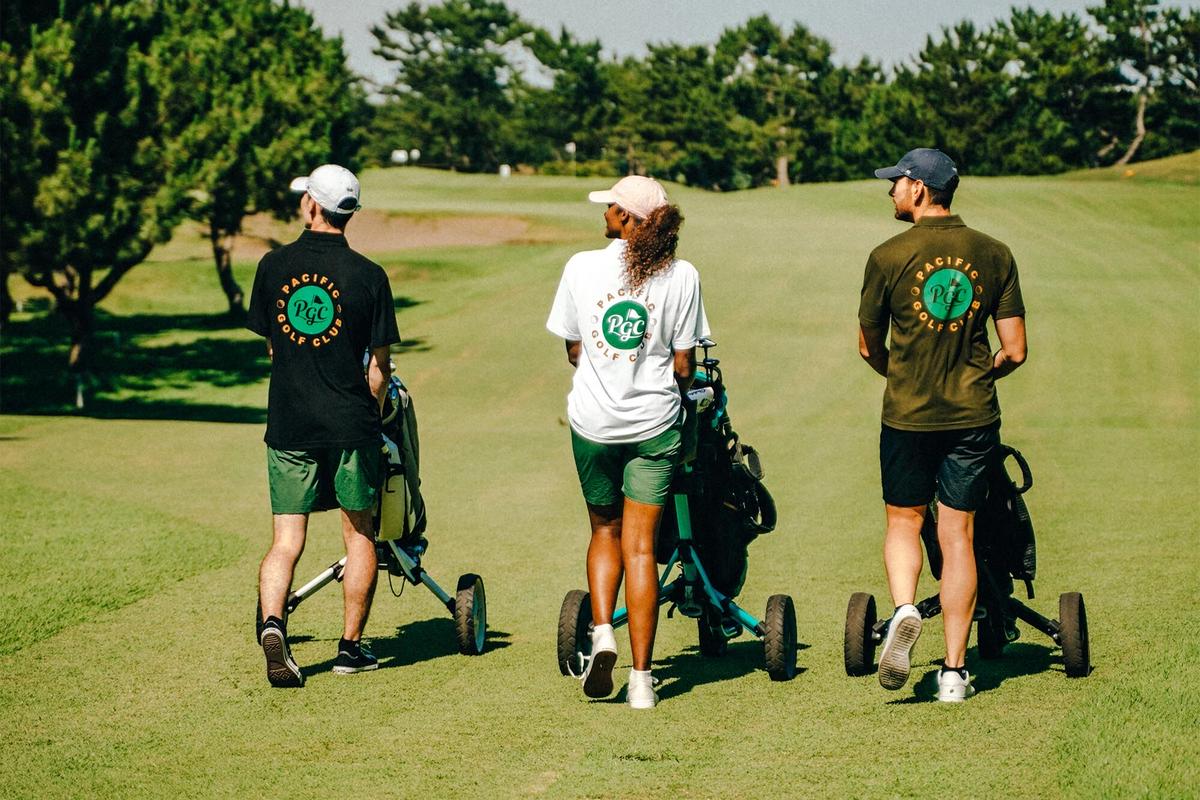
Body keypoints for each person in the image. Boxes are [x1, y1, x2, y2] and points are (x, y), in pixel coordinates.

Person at [858, 148, 1027, 702]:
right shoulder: (994, 253)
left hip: (907, 414)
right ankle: (954, 673)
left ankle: (906, 607)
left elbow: (867, 346)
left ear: (920, 189)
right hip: (972, 415)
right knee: (959, 537)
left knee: (905, 522)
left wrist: (901, 373)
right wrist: (978, 374)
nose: (891, 193)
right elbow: (1016, 350)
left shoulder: (886, 256)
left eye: (896, 183)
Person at [546, 176, 709, 709]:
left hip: (593, 424)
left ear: (626, 219)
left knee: (604, 530)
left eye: (612, 207)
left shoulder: (580, 267)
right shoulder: (682, 274)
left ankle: (602, 633)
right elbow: (684, 363)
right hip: (654, 425)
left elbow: (575, 349)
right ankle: (642, 680)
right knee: (642, 548)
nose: (606, 213)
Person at [246, 164, 401, 688]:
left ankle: (273, 626)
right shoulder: (370, 276)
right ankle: (349, 649)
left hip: (289, 422)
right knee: (360, 536)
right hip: (351, 425)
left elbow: (274, 346)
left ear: (312, 205)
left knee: (287, 539)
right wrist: (372, 414)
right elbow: (378, 368)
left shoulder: (272, 266)